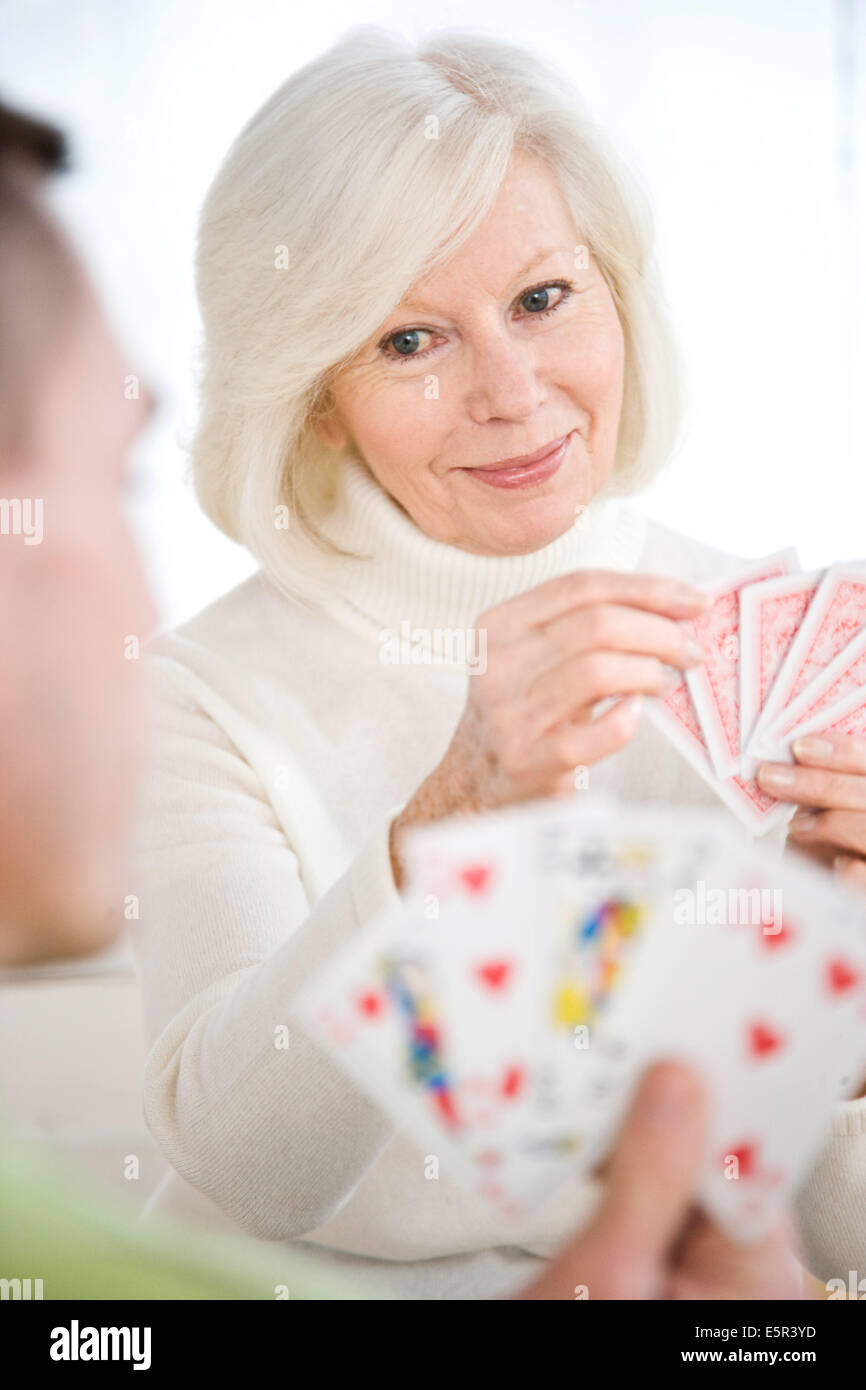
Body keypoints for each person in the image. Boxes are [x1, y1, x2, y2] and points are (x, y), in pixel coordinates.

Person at [0, 94, 807, 1304]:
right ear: (316, 396)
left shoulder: (772, 652)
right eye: (408, 341)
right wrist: (443, 824)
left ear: (620, 302)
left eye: (542, 300)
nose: (511, 390)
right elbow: (252, 1168)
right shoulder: (191, 690)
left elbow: (825, 1236)